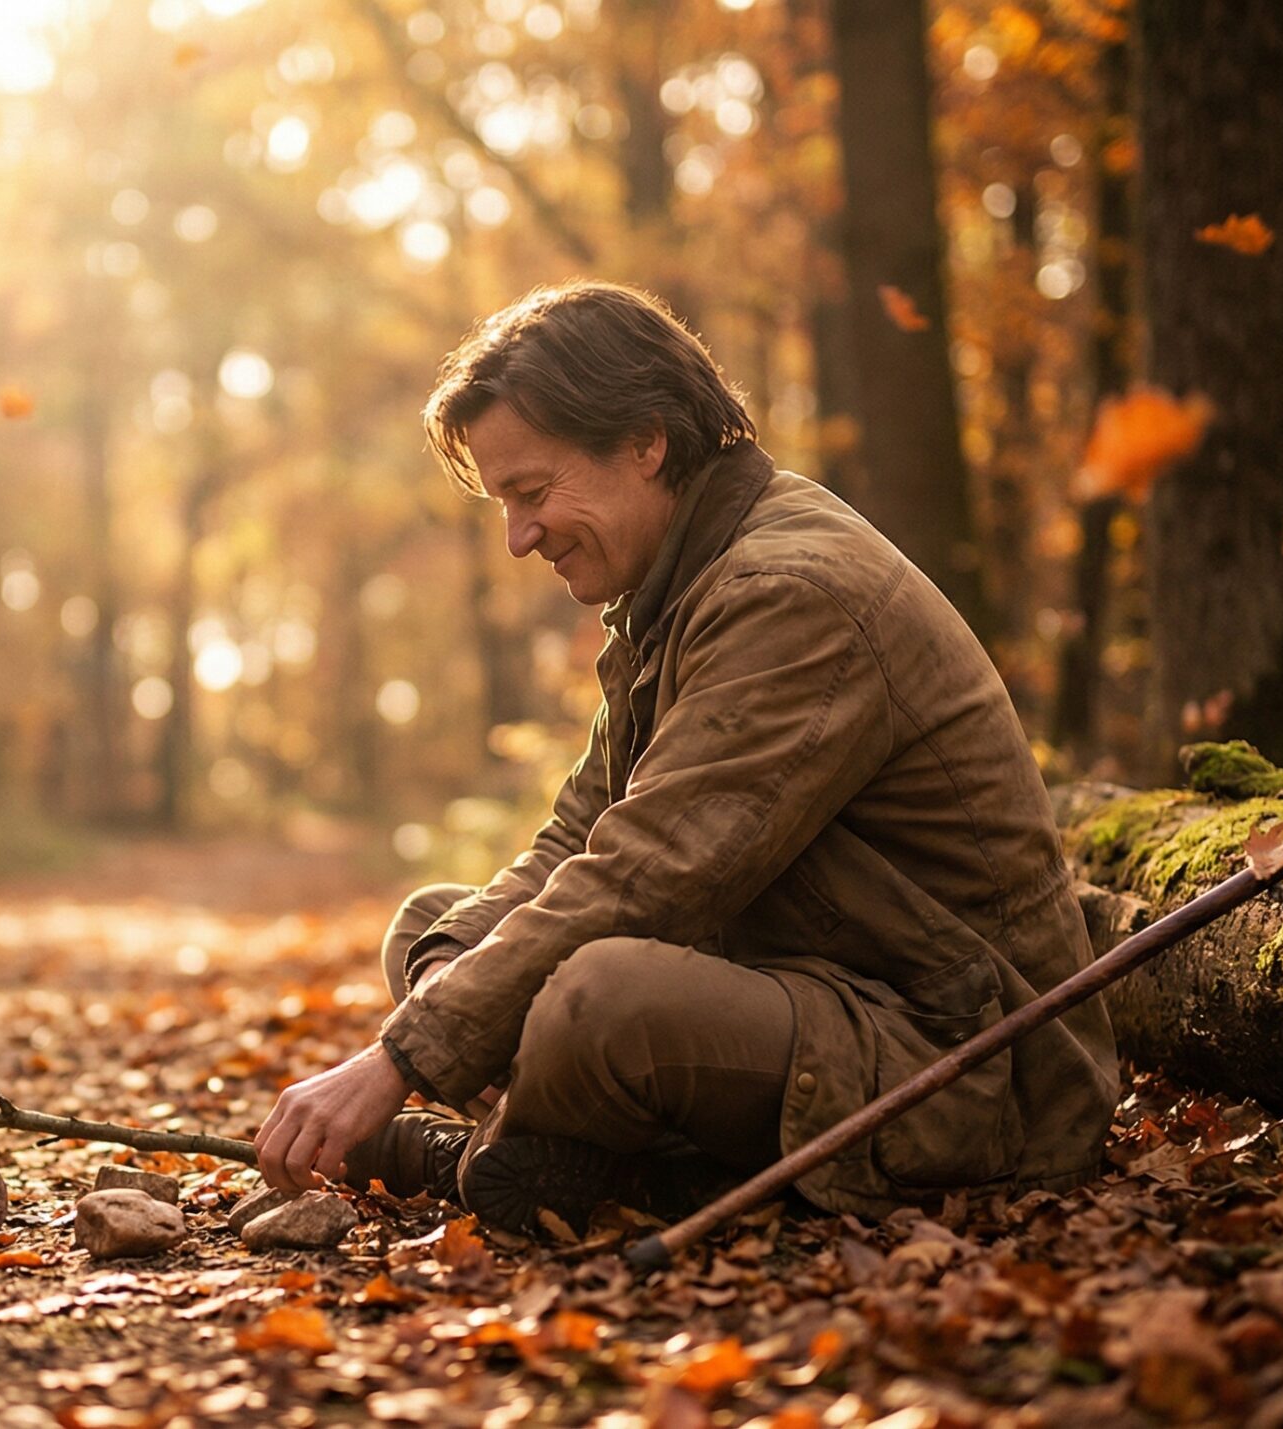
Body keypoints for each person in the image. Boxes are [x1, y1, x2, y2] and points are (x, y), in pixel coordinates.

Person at [253, 281, 1118, 1235]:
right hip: (813, 994)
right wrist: (430, 1011)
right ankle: (567, 1156)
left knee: (601, 997)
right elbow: (574, 844)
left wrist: (397, 1066)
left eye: (534, 494)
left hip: (969, 1063)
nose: (518, 538)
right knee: (436, 932)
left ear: (645, 442)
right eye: (507, 504)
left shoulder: (789, 594)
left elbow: (642, 876)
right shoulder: (677, 593)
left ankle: (574, 1168)